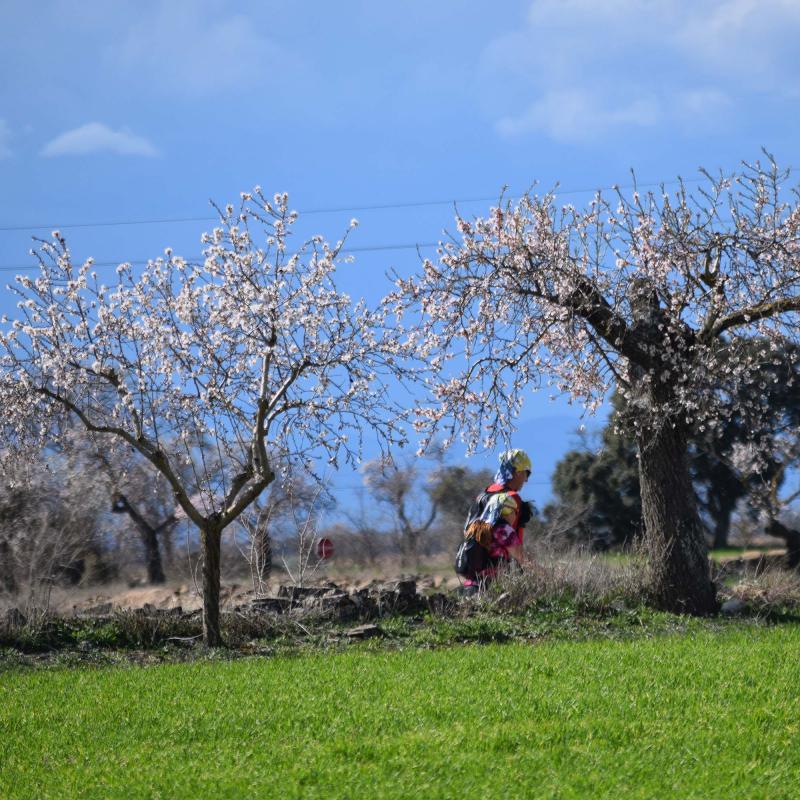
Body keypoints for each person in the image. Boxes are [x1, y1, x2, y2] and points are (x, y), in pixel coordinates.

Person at [459, 448, 533, 592]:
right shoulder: (511, 498)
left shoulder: (482, 496)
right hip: (495, 579)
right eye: (526, 473)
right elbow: (516, 548)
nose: (526, 479)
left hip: (472, 574)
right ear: (518, 472)